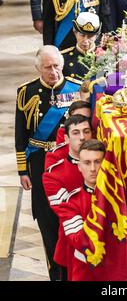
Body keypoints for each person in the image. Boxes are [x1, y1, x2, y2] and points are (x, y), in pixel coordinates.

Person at [15, 45, 82, 280]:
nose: (53, 72)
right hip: (41, 164)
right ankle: (55, 274)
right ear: (38, 69)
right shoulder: (27, 92)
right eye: (47, 68)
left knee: (72, 217)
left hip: (70, 163)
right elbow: (21, 134)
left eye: (56, 66)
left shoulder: (77, 89)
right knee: (47, 219)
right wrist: (23, 170)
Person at [43, 114, 93, 280]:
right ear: (66, 138)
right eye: (76, 133)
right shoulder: (54, 174)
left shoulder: (106, 165)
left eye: (86, 131)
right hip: (71, 244)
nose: (82, 137)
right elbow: (66, 210)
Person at [56, 139, 106, 280]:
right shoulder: (71, 201)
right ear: (79, 166)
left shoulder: (118, 200)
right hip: (84, 271)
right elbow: (78, 240)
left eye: (97, 162)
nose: (92, 168)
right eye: (87, 162)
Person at [62, 12, 100, 80]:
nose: (85, 40)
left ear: (97, 36)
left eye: (90, 36)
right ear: (75, 32)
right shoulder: (63, 58)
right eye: (82, 35)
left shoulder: (106, 57)